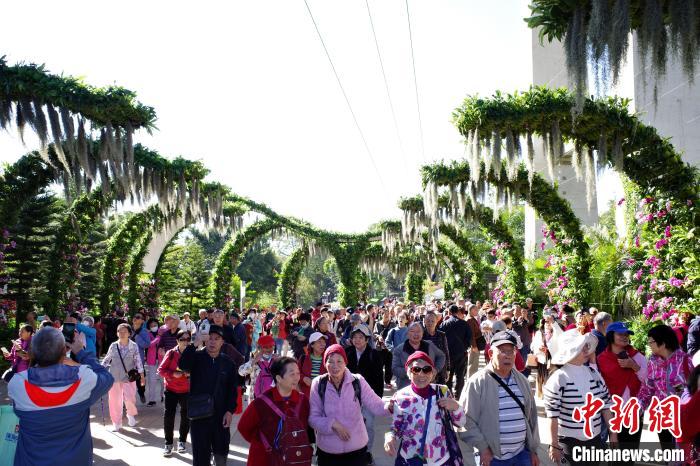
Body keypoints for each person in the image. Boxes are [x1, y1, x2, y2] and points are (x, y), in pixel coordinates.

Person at [8, 327, 114, 465]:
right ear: (64, 351)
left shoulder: (17, 384)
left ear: (32, 352)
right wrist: (81, 353)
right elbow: (107, 378)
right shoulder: (84, 378)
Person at [460, 331, 540, 466]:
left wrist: (533, 450)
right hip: (492, 457)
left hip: (522, 454)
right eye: (502, 351)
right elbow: (465, 419)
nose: (507, 355)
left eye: (511, 351)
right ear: (491, 354)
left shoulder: (522, 381)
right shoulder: (477, 382)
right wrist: (483, 448)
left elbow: (532, 418)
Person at [543, 329, 617, 466]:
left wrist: (613, 433)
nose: (586, 350)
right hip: (568, 442)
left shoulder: (594, 373)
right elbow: (552, 415)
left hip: (595, 439)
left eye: (586, 347)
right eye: (582, 347)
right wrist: (554, 444)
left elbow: (606, 405)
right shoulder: (558, 378)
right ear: (570, 351)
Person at [309, 344, 388, 466]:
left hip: (356, 450)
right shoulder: (319, 384)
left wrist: (392, 407)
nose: (335, 366)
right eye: (330, 361)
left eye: (339, 361)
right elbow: (313, 418)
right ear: (325, 364)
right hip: (328, 451)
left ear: (345, 362)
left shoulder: (357, 381)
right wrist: (333, 424)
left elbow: (377, 405)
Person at [385, 351, 465, 465]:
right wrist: (390, 437)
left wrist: (456, 407)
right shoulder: (400, 396)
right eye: (416, 369)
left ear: (432, 373)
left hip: (441, 459)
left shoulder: (443, 391)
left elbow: (461, 423)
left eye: (426, 369)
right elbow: (397, 427)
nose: (421, 374)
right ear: (409, 373)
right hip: (411, 459)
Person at [178, 325, 238, 466]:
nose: (213, 342)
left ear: (222, 342)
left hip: (220, 417)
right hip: (199, 416)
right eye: (210, 338)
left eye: (217, 339)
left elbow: (232, 390)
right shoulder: (197, 357)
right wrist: (194, 344)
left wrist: (230, 411)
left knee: (221, 456)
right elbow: (183, 365)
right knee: (200, 458)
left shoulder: (228, 363)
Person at [238, 356, 312, 466]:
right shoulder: (261, 402)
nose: (297, 378)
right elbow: (243, 427)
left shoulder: (303, 400)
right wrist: (262, 443)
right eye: (292, 374)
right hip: (264, 459)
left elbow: (306, 427)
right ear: (278, 378)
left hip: (293, 459)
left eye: (298, 373)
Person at [638, 324, 694, 452]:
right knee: (668, 453)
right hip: (662, 417)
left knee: (685, 455)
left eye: (651, 342)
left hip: (682, 418)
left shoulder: (685, 360)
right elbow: (648, 388)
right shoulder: (653, 362)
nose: (649, 345)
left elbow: (694, 389)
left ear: (662, 344)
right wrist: (639, 407)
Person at [596, 321, 647, 460]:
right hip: (611, 412)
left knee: (630, 454)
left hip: (634, 411)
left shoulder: (637, 356)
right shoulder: (601, 359)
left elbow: (648, 381)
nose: (625, 337)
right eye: (620, 334)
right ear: (611, 336)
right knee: (615, 455)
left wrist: (633, 366)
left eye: (627, 334)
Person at [345, 325, 384, 463]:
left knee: (368, 425)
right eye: (355, 337)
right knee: (350, 424)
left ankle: (367, 452)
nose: (357, 340)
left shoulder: (374, 355)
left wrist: (378, 399)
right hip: (349, 396)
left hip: (368, 397)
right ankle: (353, 451)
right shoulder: (347, 352)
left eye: (361, 337)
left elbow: (379, 379)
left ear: (367, 339)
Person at [102, 323, 145, 430]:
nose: (122, 333)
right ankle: (116, 422)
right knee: (114, 400)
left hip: (128, 377)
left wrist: (142, 375)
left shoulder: (133, 346)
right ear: (117, 333)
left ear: (129, 333)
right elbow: (107, 359)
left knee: (130, 398)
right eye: (119, 331)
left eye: (124, 331)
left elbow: (138, 361)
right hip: (114, 376)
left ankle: (130, 414)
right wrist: (100, 370)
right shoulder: (113, 345)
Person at [392, 322, 446, 390]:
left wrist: (436, 369)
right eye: (412, 331)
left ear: (422, 333)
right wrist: (413, 371)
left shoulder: (429, 345)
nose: (416, 334)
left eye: (418, 331)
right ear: (407, 333)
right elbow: (395, 369)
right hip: (407, 387)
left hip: (428, 386)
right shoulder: (399, 350)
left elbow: (441, 356)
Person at [440, 304, 472, 397]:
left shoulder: (444, 324)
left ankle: (448, 394)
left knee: (448, 375)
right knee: (460, 375)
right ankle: (458, 394)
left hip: (448, 353)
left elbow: (440, 338)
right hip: (461, 353)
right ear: (457, 312)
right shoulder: (464, 323)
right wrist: (465, 347)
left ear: (449, 312)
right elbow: (469, 338)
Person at [530, 312, 562, 398]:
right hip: (542, 360)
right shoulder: (539, 333)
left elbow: (560, 337)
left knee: (553, 379)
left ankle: (552, 395)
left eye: (549, 322)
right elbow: (533, 345)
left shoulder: (556, 332)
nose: (548, 323)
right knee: (543, 379)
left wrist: (548, 350)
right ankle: (544, 395)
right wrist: (539, 349)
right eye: (546, 322)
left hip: (553, 361)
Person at [239, 335, 278, 400]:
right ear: (259, 348)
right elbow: (241, 372)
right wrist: (253, 361)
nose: (269, 349)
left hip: (273, 397)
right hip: (257, 397)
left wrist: (280, 362)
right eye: (266, 347)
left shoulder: (276, 360)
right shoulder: (255, 361)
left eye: (271, 346)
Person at [422, 310, 451, 384]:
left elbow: (446, 351)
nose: (430, 323)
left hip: (440, 368)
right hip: (425, 369)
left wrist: (448, 369)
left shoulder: (442, 335)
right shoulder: (421, 335)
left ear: (436, 322)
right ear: (424, 321)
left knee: (439, 389)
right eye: (428, 321)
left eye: (432, 321)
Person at [130, 312, 150, 403]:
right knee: (127, 381)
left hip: (139, 360)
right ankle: (127, 401)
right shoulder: (127, 329)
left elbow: (147, 345)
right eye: (135, 316)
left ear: (142, 321)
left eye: (138, 317)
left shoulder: (144, 331)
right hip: (127, 360)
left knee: (140, 381)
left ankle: (141, 393)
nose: (136, 318)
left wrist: (137, 337)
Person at [465, 303, 483, 379]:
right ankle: (471, 380)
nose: (477, 311)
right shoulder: (469, 320)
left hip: (475, 344)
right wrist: (474, 346)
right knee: (473, 364)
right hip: (473, 345)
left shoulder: (472, 318)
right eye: (476, 309)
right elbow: (471, 335)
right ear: (471, 310)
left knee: (474, 364)